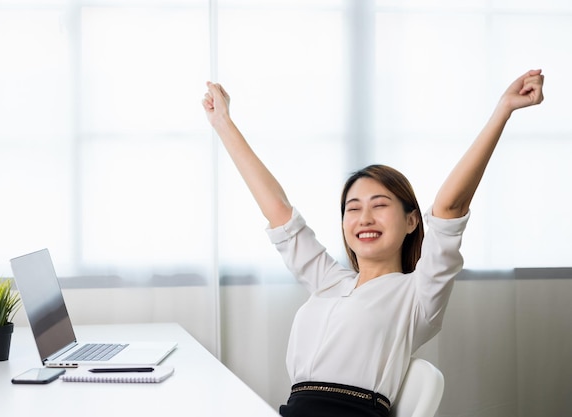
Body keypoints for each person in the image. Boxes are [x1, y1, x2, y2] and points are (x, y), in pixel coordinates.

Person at [202, 70, 544, 417]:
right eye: (353, 208)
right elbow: (278, 210)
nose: (364, 218)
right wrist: (223, 123)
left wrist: (503, 110)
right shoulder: (328, 282)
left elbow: (450, 207)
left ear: (412, 221)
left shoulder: (418, 294)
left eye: (379, 205)